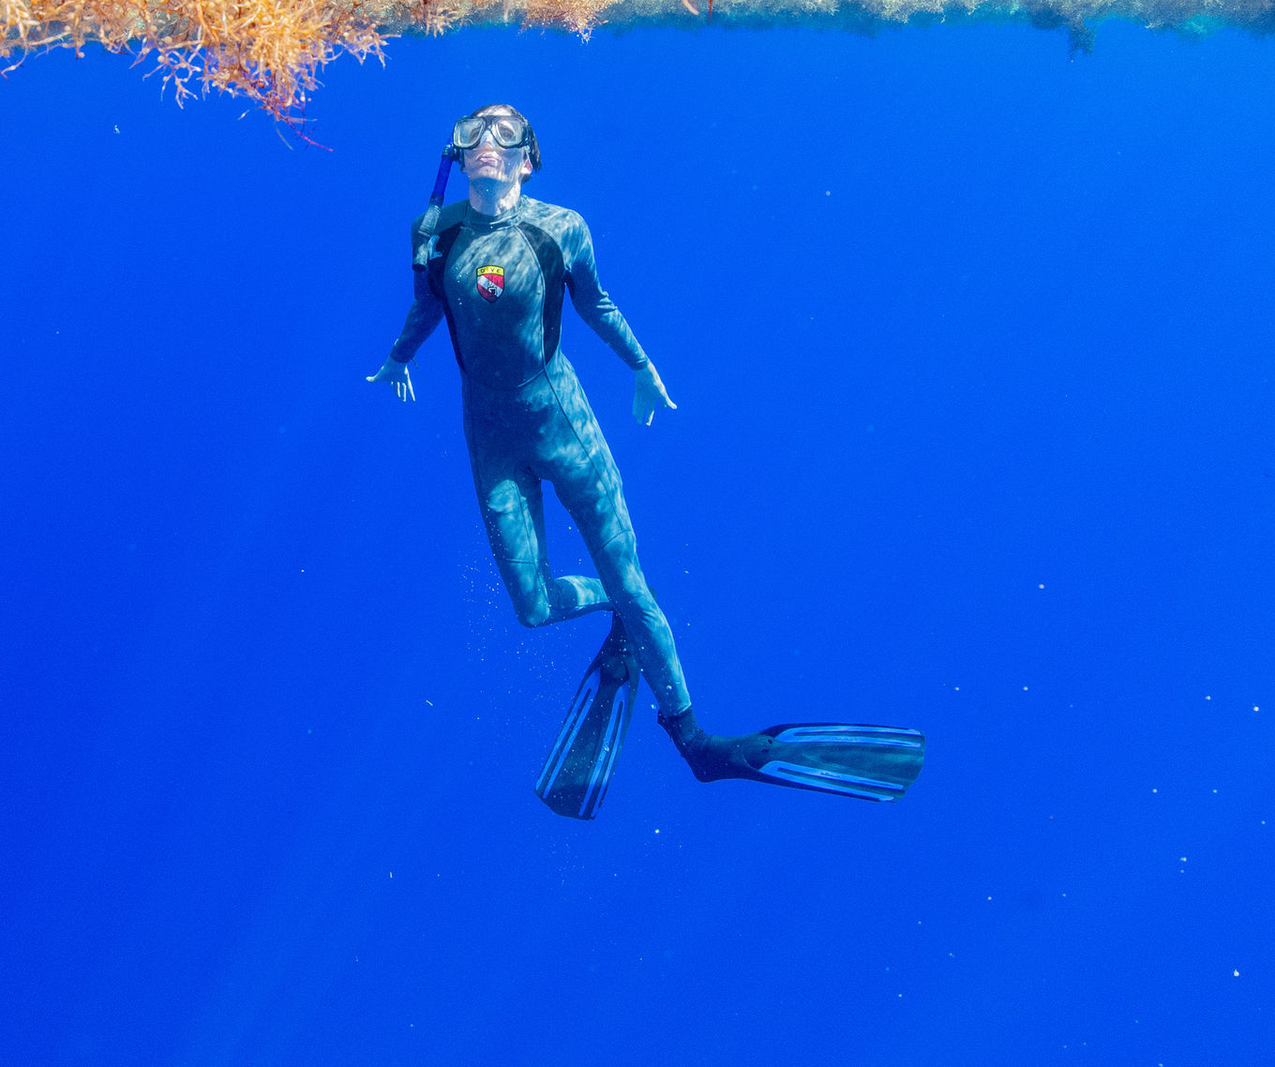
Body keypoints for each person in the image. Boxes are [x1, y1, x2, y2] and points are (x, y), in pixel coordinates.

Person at [367, 105, 924, 819]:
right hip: (488, 432)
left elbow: (595, 303)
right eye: (474, 129)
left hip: (562, 423)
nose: (487, 144)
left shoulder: (560, 227)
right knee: (532, 608)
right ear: (457, 147)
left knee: (631, 581)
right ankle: (617, 615)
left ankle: (695, 742)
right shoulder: (433, 231)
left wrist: (640, 365)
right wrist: (395, 358)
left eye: (506, 134)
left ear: (527, 158)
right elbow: (427, 306)